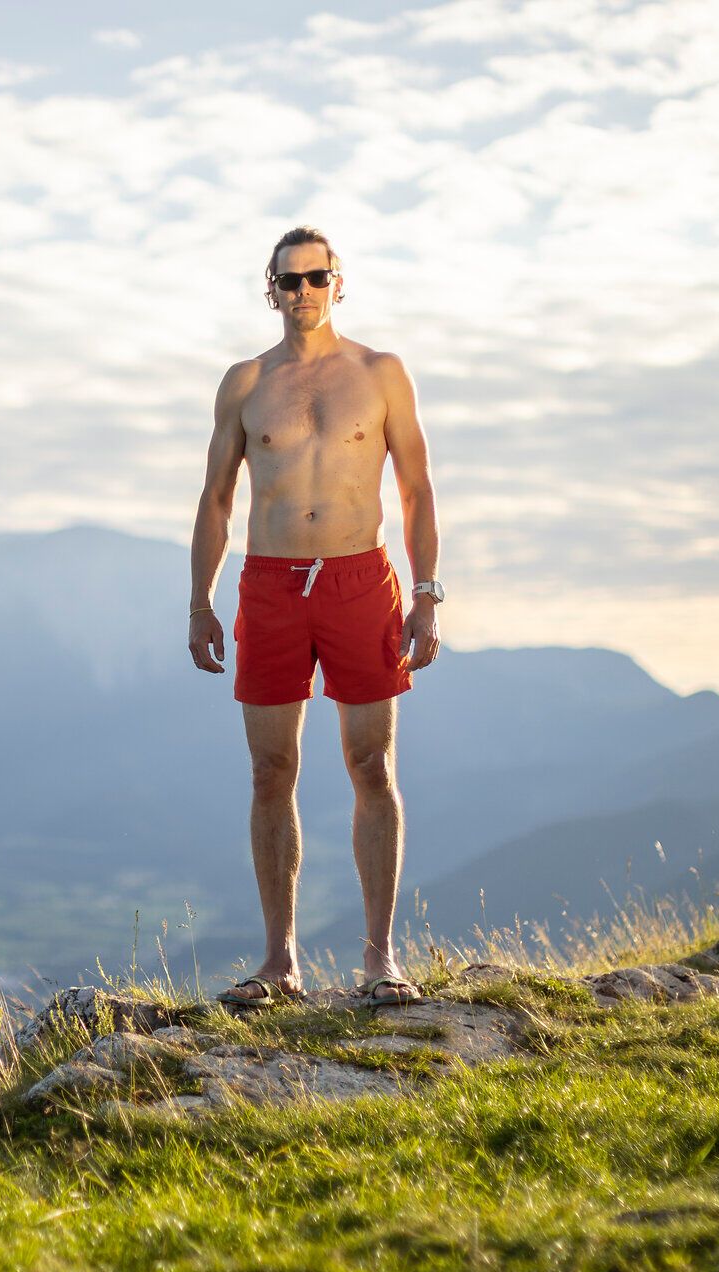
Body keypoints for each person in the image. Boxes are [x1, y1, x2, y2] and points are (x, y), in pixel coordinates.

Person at [187, 225, 442, 1009]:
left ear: (340, 281)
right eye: (289, 281)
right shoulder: (244, 383)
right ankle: (279, 963)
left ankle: (379, 959)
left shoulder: (382, 373)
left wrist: (427, 591)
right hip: (266, 583)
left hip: (360, 579)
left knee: (372, 765)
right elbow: (218, 499)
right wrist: (200, 599)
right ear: (271, 290)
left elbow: (417, 489)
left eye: (316, 277)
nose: (304, 292)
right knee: (272, 771)